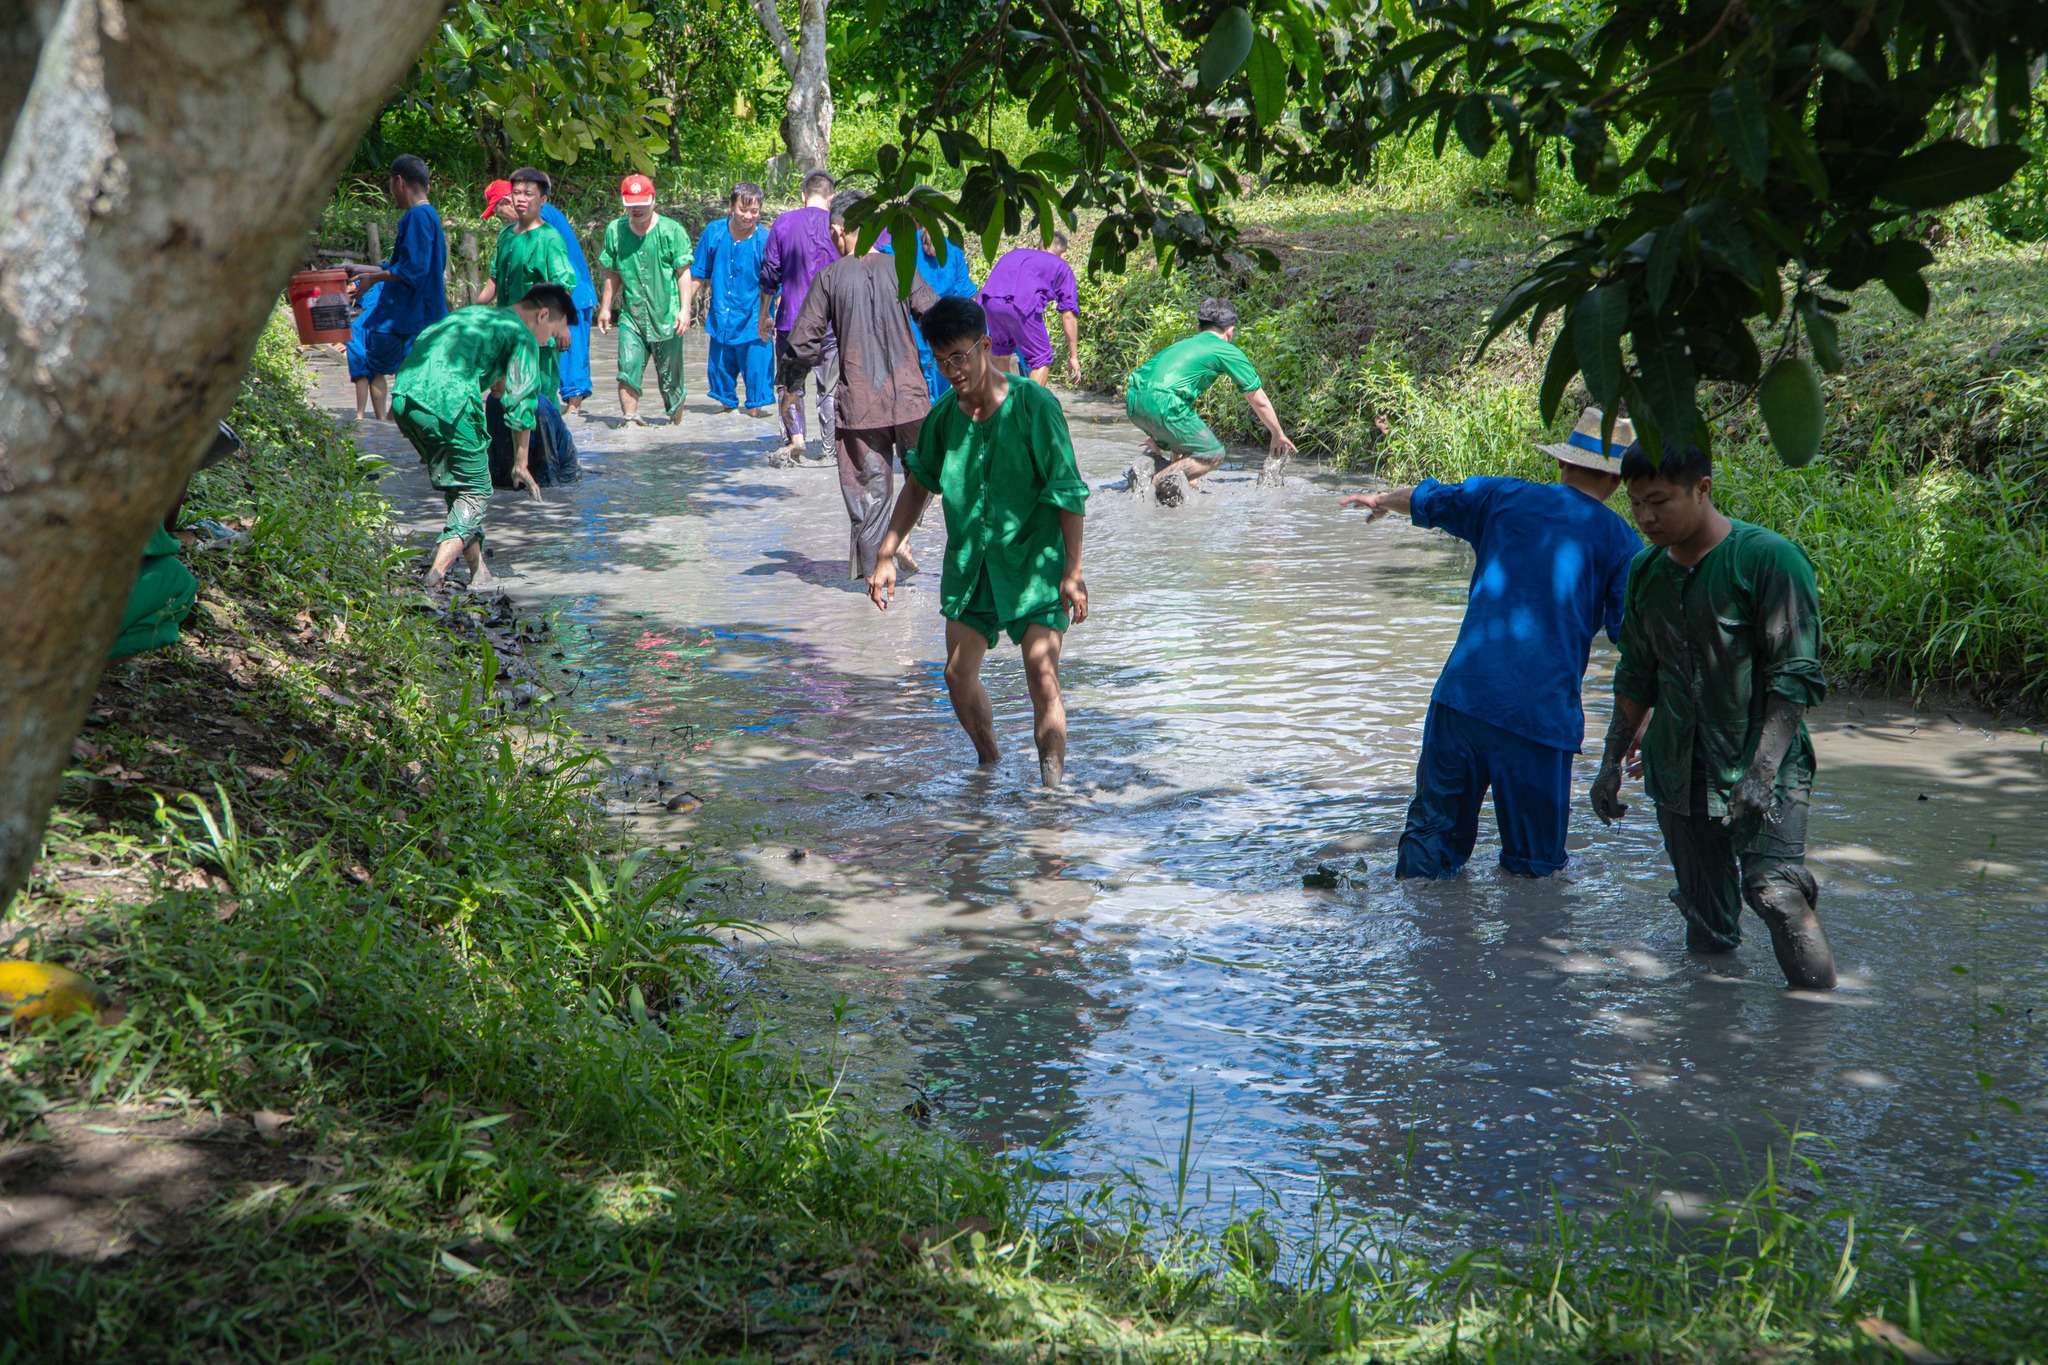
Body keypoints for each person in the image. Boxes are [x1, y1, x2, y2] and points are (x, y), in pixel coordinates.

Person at [1342, 407, 1643, 881]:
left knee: (1427, 850)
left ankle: (1418, 947)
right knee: (1535, 873)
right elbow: (1638, 646)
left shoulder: (1502, 496)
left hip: (1461, 700)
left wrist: (1382, 499)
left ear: (1562, 463)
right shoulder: (1624, 543)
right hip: (1539, 721)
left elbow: (1426, 497)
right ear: (1620, 481)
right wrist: (1645, 720)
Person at [1590, 439, 1837, 991]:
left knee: (1775, 893)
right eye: (1634, 505)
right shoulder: (1645, 571)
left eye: (1659, 501)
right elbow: (1637, 674)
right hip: (1678, 765)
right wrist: (1609, 762)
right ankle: (1710, 1043)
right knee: (1705, 917)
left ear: (1703, 489)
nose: (1646, 517)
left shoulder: (1768, 559)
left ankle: (1812, 1036)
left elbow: (1794, 676)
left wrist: (1762, 771)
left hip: (1764, 761)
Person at [869, 298, 1089, 788]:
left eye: (959, 357)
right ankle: (989, 767)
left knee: (1041, 675)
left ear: (985, 346)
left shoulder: (1036, 406)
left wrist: (1072, 571)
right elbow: (918, 485)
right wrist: (887, 552)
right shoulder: (945, 416)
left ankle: (1051, 792)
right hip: (972, 570)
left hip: (1034, 565)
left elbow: (1069, 492)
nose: (951, 371)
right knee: (956, 675)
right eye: (940, 361)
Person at [781, 189, 940, 579]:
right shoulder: (900, 267)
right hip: (911, 401)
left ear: (838, 230)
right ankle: (901, 536)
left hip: (861, 408)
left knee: (870, 499)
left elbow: (803, 343)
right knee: (927, 475)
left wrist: (790, 389)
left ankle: (874, 601)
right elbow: (936, 315)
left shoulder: (831, 277)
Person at [390, 285, 574, 591]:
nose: (550, 342)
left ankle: (478, 571)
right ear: (542, 315)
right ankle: (435, 576)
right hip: (448, 403)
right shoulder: (523, 335)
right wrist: (521, 461)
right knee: (477, 490)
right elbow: (521, 401)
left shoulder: (476, 315)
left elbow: (497, 386)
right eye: (554, 333)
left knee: (460, 485)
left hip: (404, 397)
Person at [1125, 297, 1296, 506]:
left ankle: (1151, 465)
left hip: (1134, 400)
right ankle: (1156, 481)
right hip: (1165, 403)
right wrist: (1277, 433)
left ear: (1199, 327)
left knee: (1188, 459)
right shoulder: (1225, 349)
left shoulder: (1183, 345)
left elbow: (1154, 384)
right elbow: (1257, 399)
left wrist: (1157, 435)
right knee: (1212, 454)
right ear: (1230, 331)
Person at [343, 154, 449, 404]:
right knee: (410, 376)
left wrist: (373, 279)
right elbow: (402, 265)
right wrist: (363, 269)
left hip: (413, 317)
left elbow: (412, 270)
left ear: (399, 182)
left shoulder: (416, 217)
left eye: (390, 184)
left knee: (392, 371)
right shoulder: (430, 215)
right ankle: (392, 419)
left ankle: (391, 421)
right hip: (420, 314)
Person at [758, 169, 841, 462]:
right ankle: (831, 451)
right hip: (832, 324)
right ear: (832, 198)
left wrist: (763, 314)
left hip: (791, 321)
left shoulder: (782, 223)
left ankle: (796, 442)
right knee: (830, 390)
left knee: (789, 386)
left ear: (803, 196)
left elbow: (769, 275)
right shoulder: (839, 226)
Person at [597, 173, 693, 425]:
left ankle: (676, 428)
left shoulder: (672, 231)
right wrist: (606, 308)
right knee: (627, 369)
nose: (636, 208)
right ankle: (630, 422)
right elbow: (613, 271)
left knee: (672, 380)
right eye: (631, 203)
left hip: (667, 315)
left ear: (653, 200)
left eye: (642, 202)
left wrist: (685, 310)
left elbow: (684, 273)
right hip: (632, 315)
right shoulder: (615, 231)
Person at [477, 170, 578, 402]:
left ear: (543, 200)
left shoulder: (550, 239)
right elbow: (494, 278)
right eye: (517, 193)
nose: (521, 198)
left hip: (541, 337)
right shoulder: (505, 236)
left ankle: (548, 438)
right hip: (508, 331)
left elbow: (562, 283)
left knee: (541, 401)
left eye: (529, 194)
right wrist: (473, 310)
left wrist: (562, 326)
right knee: (507, 397)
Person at [684, 181, 775, 417]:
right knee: (723, 393)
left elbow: (779, 285)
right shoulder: (714, 233)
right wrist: (683, 309)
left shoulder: (766, 240)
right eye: (742, 210)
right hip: (721, 321)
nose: (748, 217)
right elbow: (698, 274)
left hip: (756, 323)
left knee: (756, 400)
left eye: (754, 212)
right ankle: (728, 432)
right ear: (730, 206)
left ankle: (751, 434)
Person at [880, 218, 979, 400]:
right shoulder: (953, 250)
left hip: (908, 342)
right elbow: (967, 298)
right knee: (940, 402)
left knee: (917, 404)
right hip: (945, 344)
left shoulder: (893, 250)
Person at [978, 233, 1080, 387]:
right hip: (1021, 304)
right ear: (1063, 254)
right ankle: (1027, 409)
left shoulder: (1016, 253)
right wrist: (1074, 356)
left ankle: (1003, 407)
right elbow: (1068, 316)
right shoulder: (1061, 266)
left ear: (1039, 247)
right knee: (1041, 359)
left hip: (989, 302)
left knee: (1000, 354)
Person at [537, 192, 600, 417]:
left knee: (571, 351)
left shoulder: (541, 214)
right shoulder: (540, 213)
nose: (500, 216)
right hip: (568, 292)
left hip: (574, 292)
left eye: (498, 209)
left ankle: (574, 407)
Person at [345, 281, 390, 420]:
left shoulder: (357, 283)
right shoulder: (382, 283)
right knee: (377, 372)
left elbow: (346, 296)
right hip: (380, 326)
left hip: (359, 328)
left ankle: (360, 415)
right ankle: (381, 416)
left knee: (361, 372)